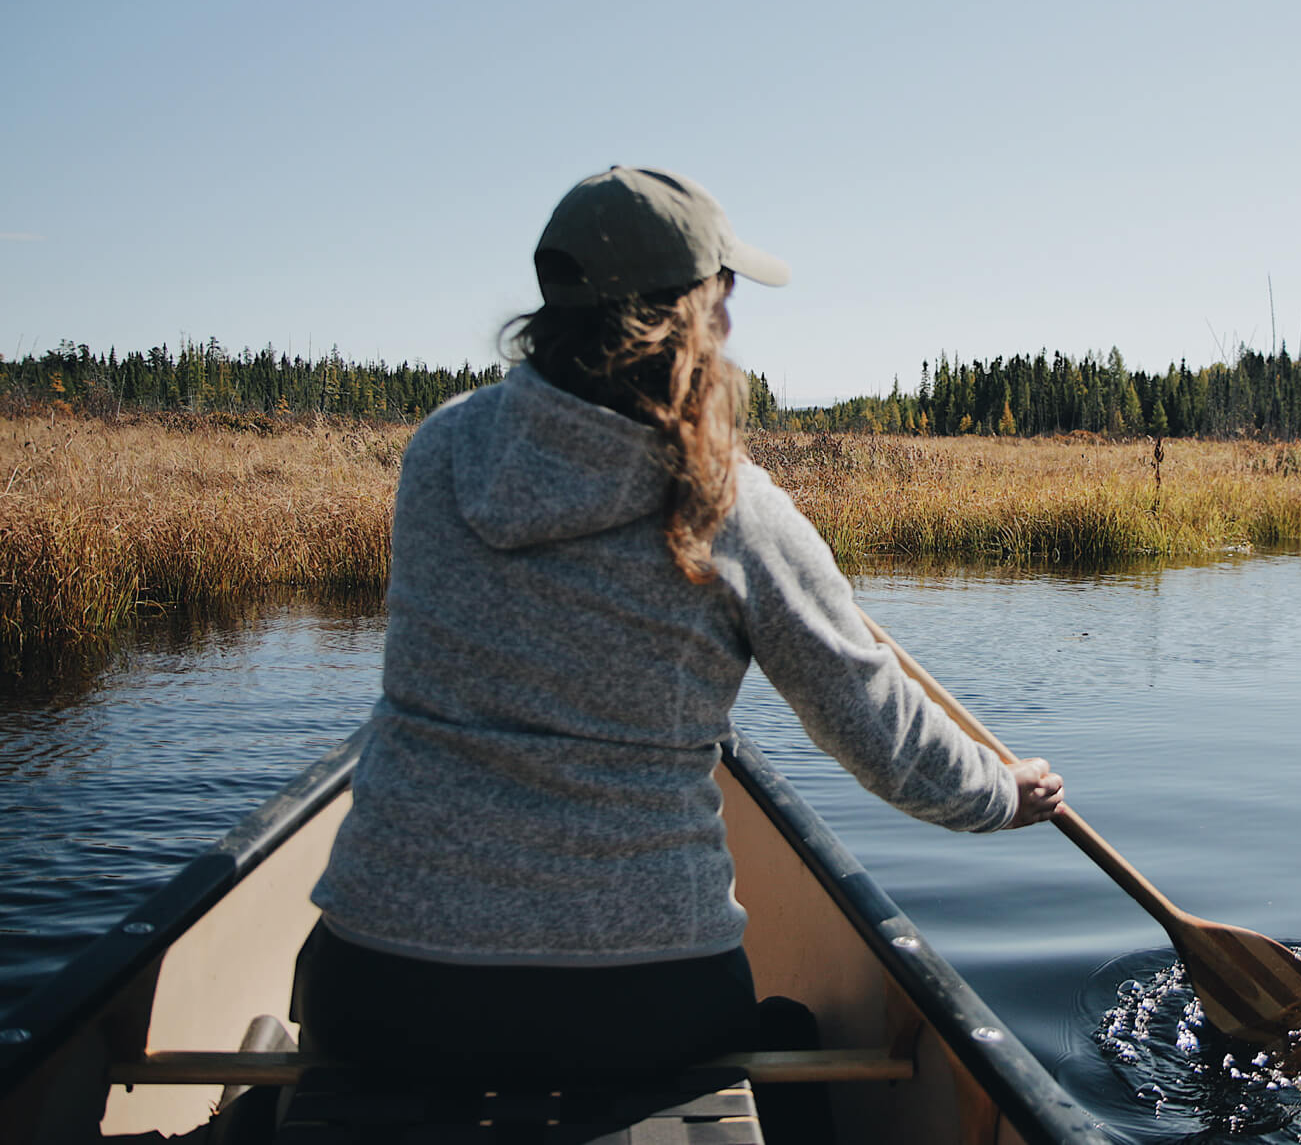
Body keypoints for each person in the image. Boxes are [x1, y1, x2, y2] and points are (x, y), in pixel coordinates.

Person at [292, 166, 1064, 1081]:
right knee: (785, 1023)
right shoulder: (731, 506)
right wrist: (1000, 793)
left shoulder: (441, 450)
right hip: (634, 997)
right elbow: (876, 729)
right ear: (695, 313)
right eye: (725, 294)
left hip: (379, 981)